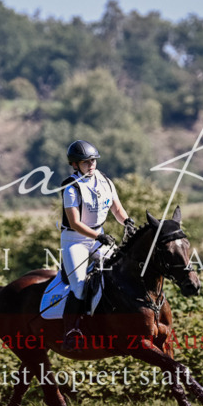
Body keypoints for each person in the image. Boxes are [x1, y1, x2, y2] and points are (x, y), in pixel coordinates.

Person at [59, 140, 136, 351]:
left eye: (93, 160)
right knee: (79, 285)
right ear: (75, 165)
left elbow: (117, 209)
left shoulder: (105, 181)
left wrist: (127, 222)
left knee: (119, 272)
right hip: (75, 241)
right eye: (86, 162)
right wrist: (98, 236)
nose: (91, 164)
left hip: (98, 236)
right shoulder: (71, 187)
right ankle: (70, 331)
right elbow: (75, 223)